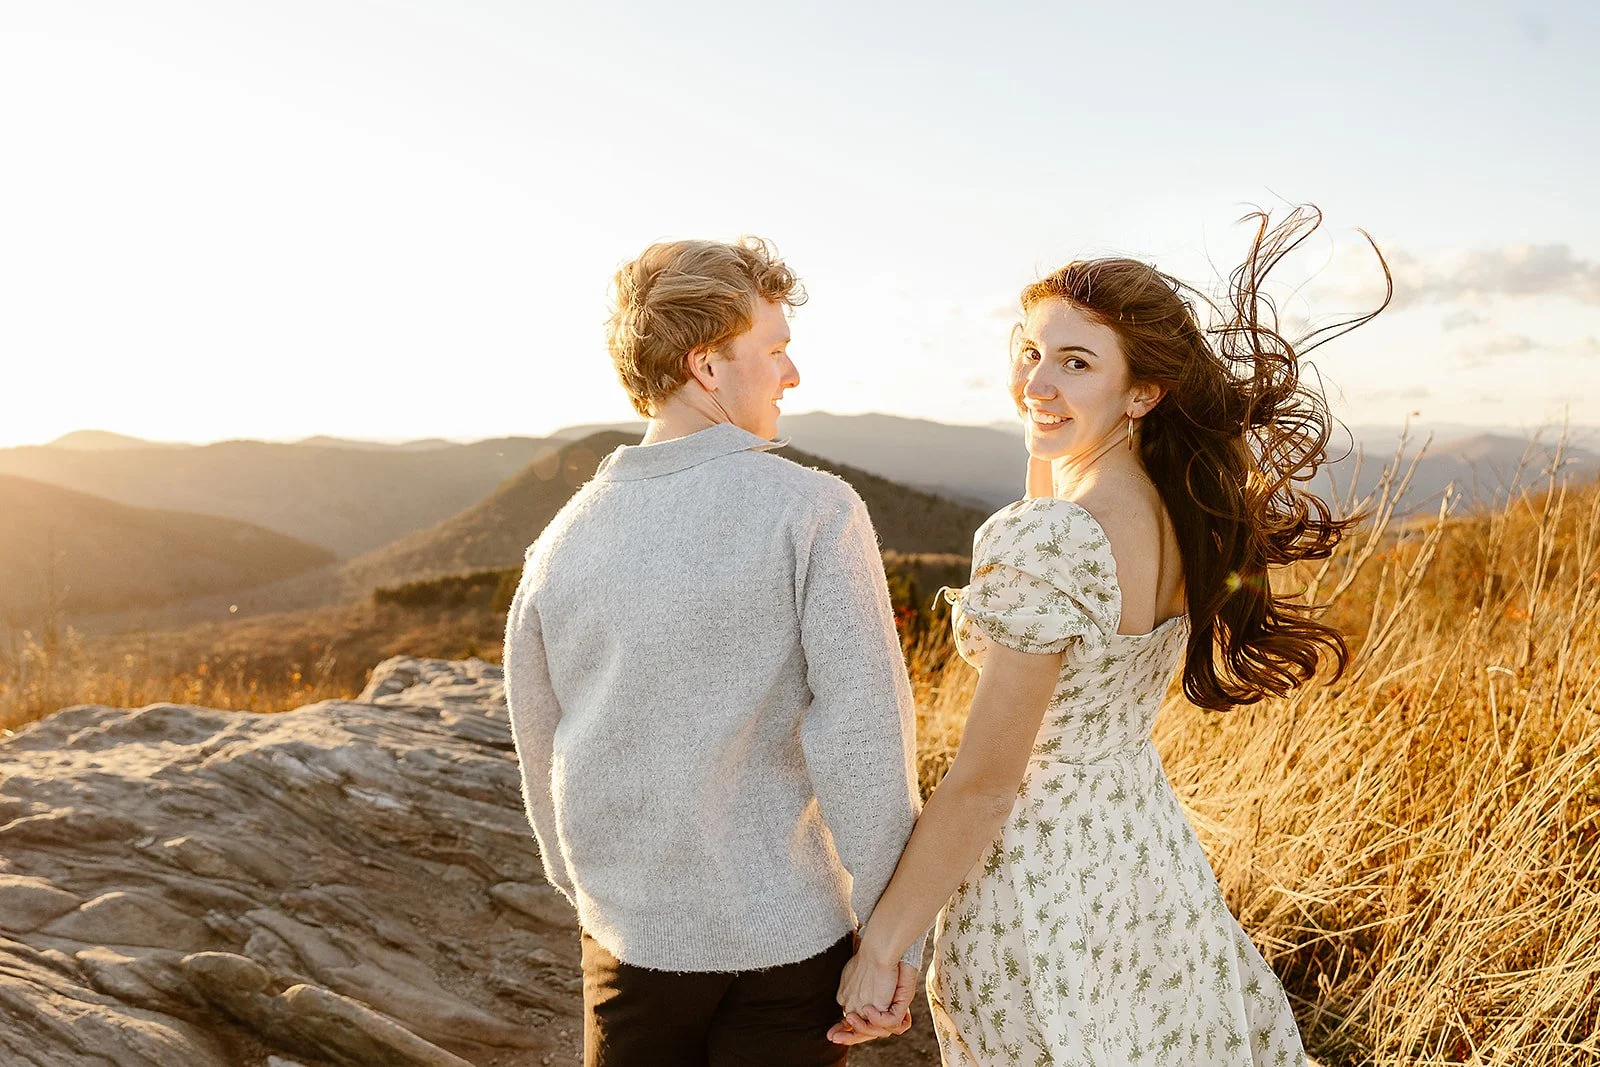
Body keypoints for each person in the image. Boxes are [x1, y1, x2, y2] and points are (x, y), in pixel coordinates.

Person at [829, 206, 1390, 1063]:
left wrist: (882, 946)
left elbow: (984, 782)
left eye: (1076, 363)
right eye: (1030, 352)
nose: (1036, 384)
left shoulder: (1052, 539)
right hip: (1142, 857)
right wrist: (1051, 445)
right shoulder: (1178, 513)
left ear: (1142, 391)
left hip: (1042, 880)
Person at [502, 236, 924, 1066]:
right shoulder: (812, 511)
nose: (790, 375)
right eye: (774, 351)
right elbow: (864, 740)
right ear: (706, 366)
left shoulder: (559, 544)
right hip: (789, 940)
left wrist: (594, 896)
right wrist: (891, 942)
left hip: (629, 945)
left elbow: (539, 745)